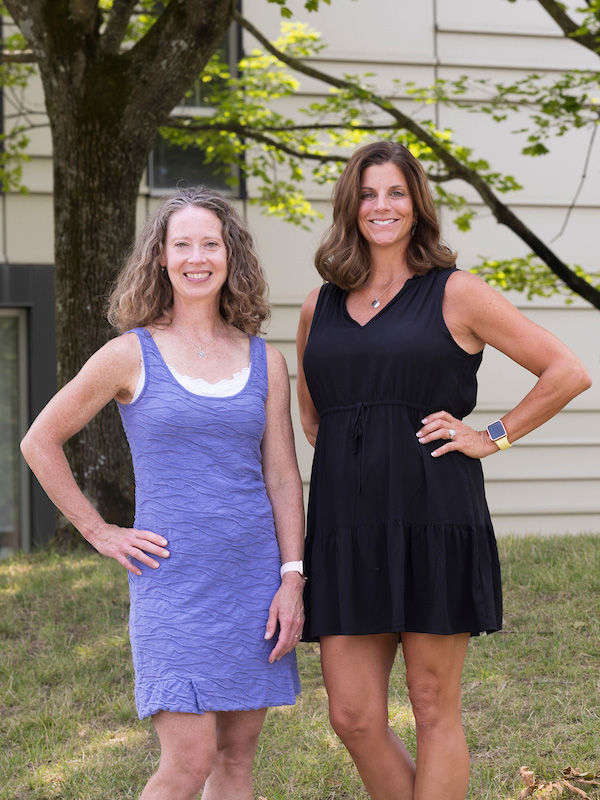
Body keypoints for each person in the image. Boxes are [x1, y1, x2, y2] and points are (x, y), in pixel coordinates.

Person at [296, 141, 591, 800]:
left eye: (395, 193)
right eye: (368, 194)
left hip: (433, 516)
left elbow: (567, 371)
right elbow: (316, 421)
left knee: (433, 707)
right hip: (345, 527)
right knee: (352, 715)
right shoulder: (318, 306)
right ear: (351, 206)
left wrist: (490, 435)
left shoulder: (457, 293)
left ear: (417, 204)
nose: (381, 206)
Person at [21, 187, 306, 800]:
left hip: (253, 581)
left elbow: (282, 475)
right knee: (189, 759)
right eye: (182, 244)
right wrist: (98, 530)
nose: (196, 257)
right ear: (161, 257)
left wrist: (292, 577)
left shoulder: (266, 361)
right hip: (172, 584)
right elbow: (40, 440)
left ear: (231, 256)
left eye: (211, 243)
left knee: (236, 759)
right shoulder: (130, 353)